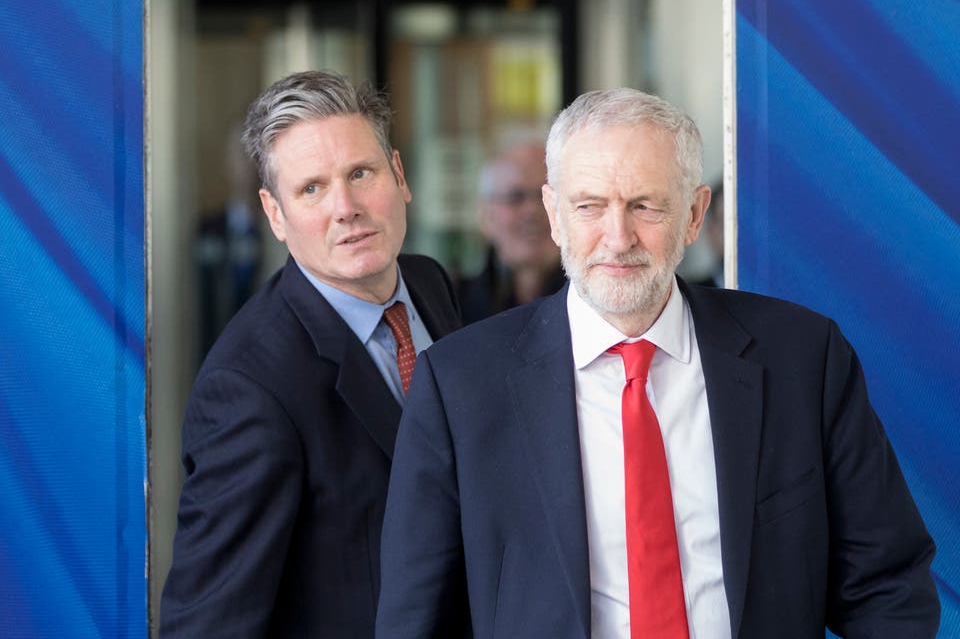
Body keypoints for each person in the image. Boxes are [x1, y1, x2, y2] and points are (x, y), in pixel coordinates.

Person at [376, 88, 939, 639]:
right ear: (554, 213)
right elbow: (417, 618)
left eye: (645, 205)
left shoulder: (803, 358)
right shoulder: (460, 385)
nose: (618, 238)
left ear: (694, 215)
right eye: (589, 206)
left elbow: (886, 584)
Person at [160, 70, 461, 638]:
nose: (345, 207)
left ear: (398, 175)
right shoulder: (248, 388)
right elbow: (208, 624)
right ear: (275, 214)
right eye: (312, 189)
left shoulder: (428, 285)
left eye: (360, 173)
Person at [457, 141, 564, 324]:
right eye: (515, 197)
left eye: (545, 196)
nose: (533, 210)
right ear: (486, 216)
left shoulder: (600, 306)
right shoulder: (453, 308)